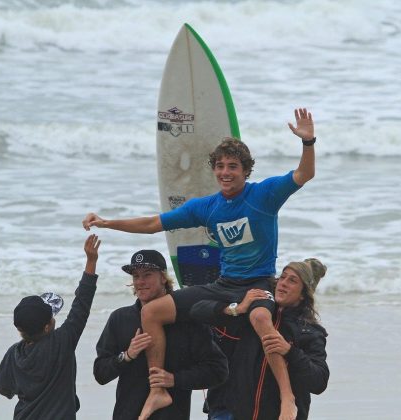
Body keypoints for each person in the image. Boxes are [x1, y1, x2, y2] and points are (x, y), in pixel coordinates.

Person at [83, 108, 317, 420]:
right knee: (152, 311)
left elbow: (304, 174)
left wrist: (308, 142)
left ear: (246, 170)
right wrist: (107, 222)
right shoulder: (207, 207)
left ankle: (287, 398)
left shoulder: (265, 195)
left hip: (259, 281)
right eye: (220, 166)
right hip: (225, 285)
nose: (225, 172)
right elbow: (154, 222)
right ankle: (158, 391)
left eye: (233, 166)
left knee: (261, 318)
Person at [93, 249, 229, 420]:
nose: (140, 282)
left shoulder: (187, 320)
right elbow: (100, 374)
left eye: (147, 274)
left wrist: (174, 379)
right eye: (136, 276)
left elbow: (218, 370)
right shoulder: (120, 318)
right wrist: (127, 356)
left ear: (164, 278)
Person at [191, 258, 330, 420]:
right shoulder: (252, 311)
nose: (283, 283)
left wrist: (290, 351)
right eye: (283, 277)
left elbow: (319, 382)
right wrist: (235, 309)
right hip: (230, 411)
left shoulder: (310, 332)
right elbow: (197, 310)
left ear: (303, 294)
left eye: (292, 281)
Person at [0, 234, 101, 419]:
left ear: (20, 329)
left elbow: (3, 388)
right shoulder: (61, 342)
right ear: (46, 327)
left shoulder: (13, 354)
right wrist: (91, 260)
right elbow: (82, 304)